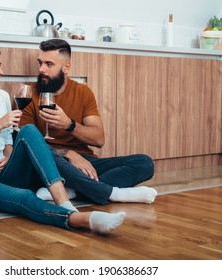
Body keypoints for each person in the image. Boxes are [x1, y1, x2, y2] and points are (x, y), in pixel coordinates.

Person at [0, 42, 126, 235]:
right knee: (24, 197)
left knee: (28, 130)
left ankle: (65, 203)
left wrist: (7, 159)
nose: (1, 71)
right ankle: (78, 219)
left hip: (3, 173)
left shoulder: (1, 97)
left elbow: (7, 143)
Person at [20, 39, 157, 205]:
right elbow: (26, 145)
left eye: (49, 64)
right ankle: (111, 193)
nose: (41, 69)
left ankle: (75, 190)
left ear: (66, 66)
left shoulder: (82, 92)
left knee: (144, 163)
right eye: (40, 63)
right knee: (47, 161)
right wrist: (68, 154)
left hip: (85, 162)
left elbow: (98, 139)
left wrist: (69, 125)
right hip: (49, 163)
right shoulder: (28, 94)